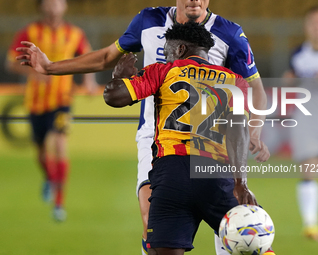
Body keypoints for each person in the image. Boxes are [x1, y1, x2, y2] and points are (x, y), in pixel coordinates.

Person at [15, 1, 270, 253]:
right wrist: (50, 68)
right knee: (151, 219)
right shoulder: (148, 20)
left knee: (233, 225)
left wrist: (254, 130)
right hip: (156, 136)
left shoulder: (230, 33)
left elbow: (255, 89)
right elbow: (106, 57)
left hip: (212, 141)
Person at [104, 21, 275, 255]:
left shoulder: (162, 72)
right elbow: (238, 130)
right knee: (256, 241)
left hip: (172, 172)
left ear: (181, 49)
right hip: (215, 174)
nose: (167, 56)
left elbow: (113, 97)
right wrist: (240, 183)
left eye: (168, 51)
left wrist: (118, 78)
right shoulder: (234, 81)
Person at [6, 0, 97, 221]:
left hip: (62, 100)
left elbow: (88, 57)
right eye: (49, 2)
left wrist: (89, 81)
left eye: (58, 2)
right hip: (35, 102)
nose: (53, 6)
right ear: (42, 6)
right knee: (40, 150)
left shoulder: (74, 33)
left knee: (59, 143)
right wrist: (33, 74)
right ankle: (48, 177)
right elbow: (10, 63)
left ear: (64, 6)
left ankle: (59, 204)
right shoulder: (30, 31)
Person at [284, 5, 318, 241]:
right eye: (313, 23)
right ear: (307, 27)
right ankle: (311, 224)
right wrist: (289, 82)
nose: (317, 28)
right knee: (308, 167)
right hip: (306, 117)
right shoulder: (298, 54)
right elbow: (288, 83)